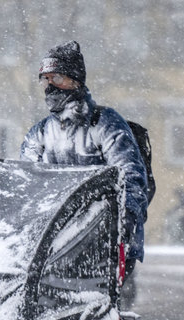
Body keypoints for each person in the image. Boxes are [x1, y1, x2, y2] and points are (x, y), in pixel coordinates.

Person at [20, 41, 148, 273]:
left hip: (103, 243)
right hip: (55, 243)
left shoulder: (105, 124)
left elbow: (130, 177)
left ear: (75, 80)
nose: (50, 87)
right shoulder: (39, 133)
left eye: (57, 78)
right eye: (45, 80)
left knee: (94, 304)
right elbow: (27, 186)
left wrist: (121, 226)